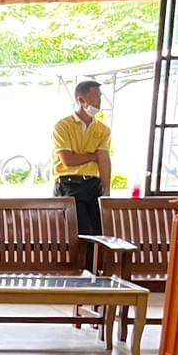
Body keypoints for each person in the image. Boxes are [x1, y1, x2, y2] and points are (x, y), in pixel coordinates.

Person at [52, 80, 112, 239]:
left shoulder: (103, 129)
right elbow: (68, 160)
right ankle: (82, 257)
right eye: (95, 97)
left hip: (93, 184)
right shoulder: (62, 126)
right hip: (68, 184)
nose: (99, 101)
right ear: (81, 100)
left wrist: (106, 190)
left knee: (99, 232)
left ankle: (93, 258)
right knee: (82, 231)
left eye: (100, 96)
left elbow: (104, 160)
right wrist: (94, 156)